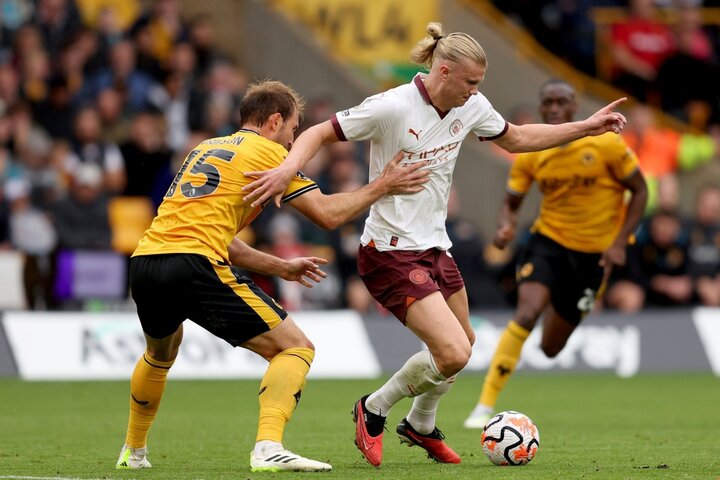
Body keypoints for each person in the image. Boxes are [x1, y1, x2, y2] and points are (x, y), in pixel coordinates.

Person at [241, 22, 629, 467]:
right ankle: (374, 408)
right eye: (470, 82)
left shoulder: (471, 105)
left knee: (460, 348)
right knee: (453, 352)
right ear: (443, 72)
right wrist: (285, 169)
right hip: (389, 250)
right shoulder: (391, 106)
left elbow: (518, 139)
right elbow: (318, 133)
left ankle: (420, 424)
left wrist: (587, 127)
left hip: (434, 248)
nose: (476, 92)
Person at [114, 79, 430, 473]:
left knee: (159, 355)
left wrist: (281, 267)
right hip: (194, 265)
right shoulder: (269, 154)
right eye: (293, 131)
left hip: (146, 262)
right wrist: (383, 185)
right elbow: (328, 215)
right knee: (294, 348)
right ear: (274, 121)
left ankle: (133, 452)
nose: (292, 142)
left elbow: (222, 238)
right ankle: (268, 446)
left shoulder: (206, 148)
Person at [463, 80, 648, 429]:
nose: (553, 108)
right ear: (541, 106)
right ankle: (483, 406)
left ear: (574, 104)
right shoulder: (533, 150)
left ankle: (560, 306)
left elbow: (640, 191)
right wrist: (506, 226)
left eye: (561, 101)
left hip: (593, 256)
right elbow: (510, 204)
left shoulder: (606, 144)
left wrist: (621, 241)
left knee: (550, 348)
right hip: (547, 243)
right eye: (547, 102)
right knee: (527, 310)